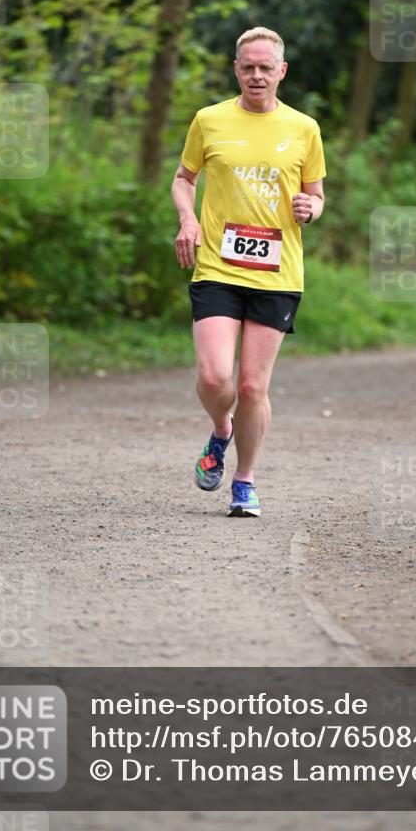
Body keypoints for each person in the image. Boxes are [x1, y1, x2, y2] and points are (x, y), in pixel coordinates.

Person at [171, 27, 326, 517]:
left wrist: (311, 207)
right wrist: (188, 218)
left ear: (282, 72)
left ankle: (244, 480)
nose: (256, 75)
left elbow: (317, 196)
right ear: (235, 69)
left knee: (253, 386)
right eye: (247, 66)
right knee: (216, 378)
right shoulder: (209, 120)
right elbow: (183, 178)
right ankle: (222, 430)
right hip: (217, 264)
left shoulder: (305, 129)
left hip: (277, 273)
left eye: (266, 67)